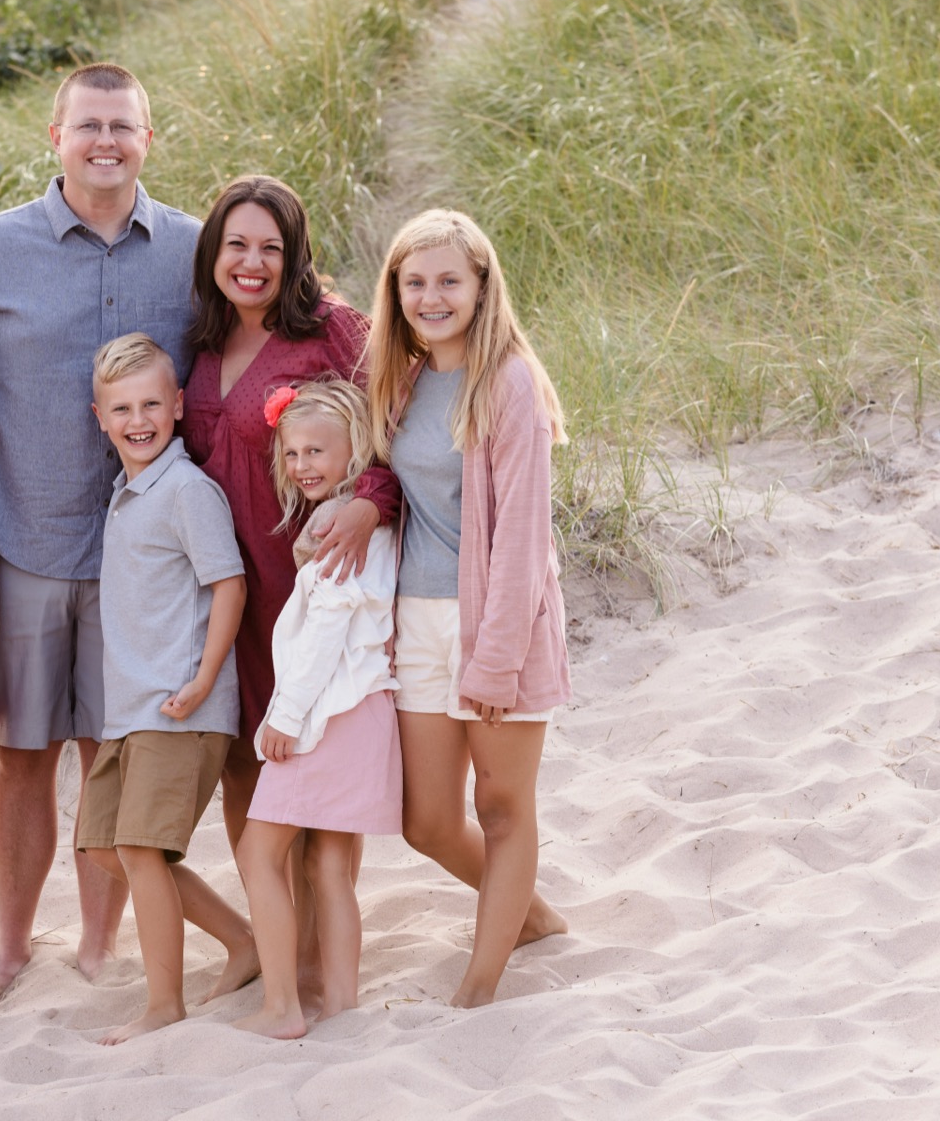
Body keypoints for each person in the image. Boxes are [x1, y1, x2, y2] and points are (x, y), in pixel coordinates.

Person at [0, 63, 200, 1009]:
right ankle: (9, 945)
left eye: (124, 124)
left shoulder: (191, 251)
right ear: (56, 136)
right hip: (30, 547)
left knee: (111, 753)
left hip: (148, 561)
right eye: (89, 125)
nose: (107, 141)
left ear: (149, 139)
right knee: (27, 756)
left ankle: (97, 943)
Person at [364, 209, 572, 1009]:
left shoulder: (510, 382)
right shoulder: (405, 379)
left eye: (449, 280)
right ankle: (533, 915)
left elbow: (522, 534)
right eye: (414, 282)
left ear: (483, 287)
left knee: (502, 805)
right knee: (428, 820)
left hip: (496, 623)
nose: (431, 297)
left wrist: (496, 655)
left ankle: (480, 986)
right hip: (418, 621)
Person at [177, 175, 400, 846]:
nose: (252, 263)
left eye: (270, 248)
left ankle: (315, 941)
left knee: (314, 760)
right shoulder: (202, 340)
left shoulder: (332, 330)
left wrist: (371, 504)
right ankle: (281, 937)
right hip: (222, 590)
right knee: (246, 762)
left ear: (295, 255)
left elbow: (402, 432)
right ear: (212, 252)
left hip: (305, 581)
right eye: (236, 244)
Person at [74, 333, 258, 1043]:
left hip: (183, 705)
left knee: (144, 851)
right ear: (100, 416)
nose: (138, 418)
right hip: (132, 707)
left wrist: (204, 679)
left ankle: (163, 1005)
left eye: (152, 403)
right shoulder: (125, 493)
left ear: (179, 406)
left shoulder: (186, 491)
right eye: (122, 407)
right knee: (105, 848)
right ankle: (240, 941)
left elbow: (229, 586)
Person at [233, 379, 401, 1040]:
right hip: (364, 713)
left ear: (354, 450)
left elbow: (328, 626)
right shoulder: (367, 523)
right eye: (293, 453)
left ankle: (281, 1008)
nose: (303, 465)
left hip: (325, 714)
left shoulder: (340, 526)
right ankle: (341, 1003)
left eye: (317, 451)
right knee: (329, 865)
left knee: (257, 851)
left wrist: (285, 715)